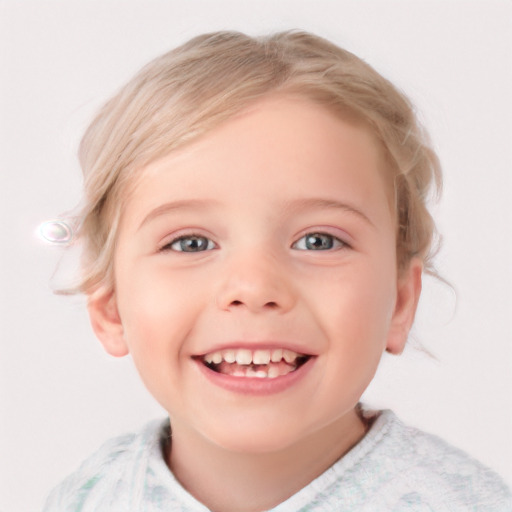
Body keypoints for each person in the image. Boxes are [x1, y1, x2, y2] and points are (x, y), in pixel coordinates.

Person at [42, 30, 511, 511]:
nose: (254, 287)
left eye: (319, 241)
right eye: (190, 243)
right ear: (111, 309)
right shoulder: (87, 498)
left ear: (401, 301)